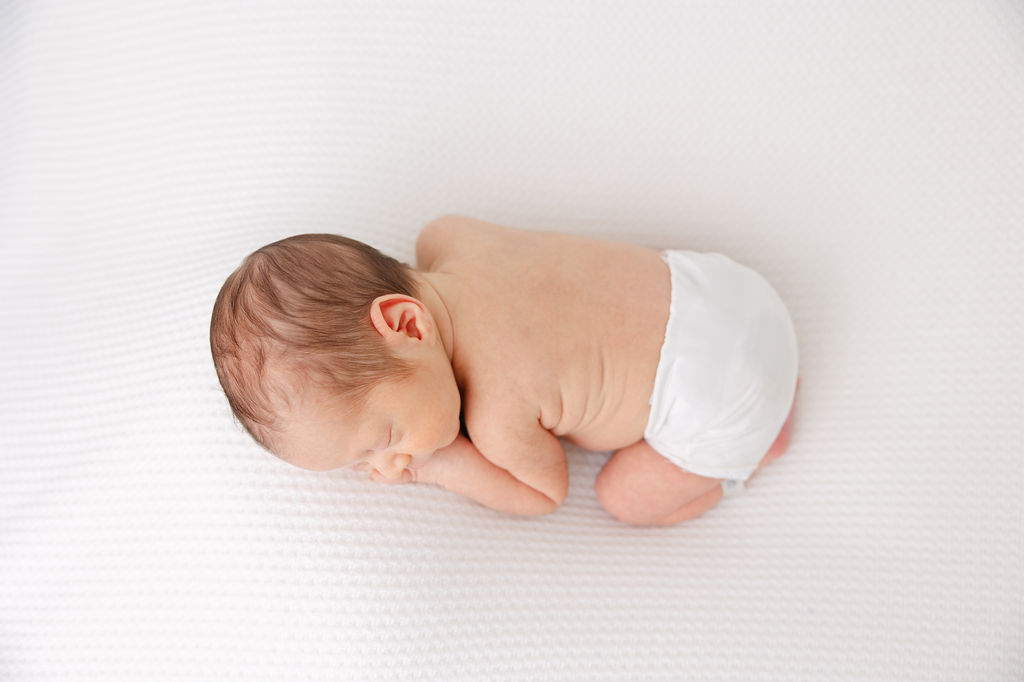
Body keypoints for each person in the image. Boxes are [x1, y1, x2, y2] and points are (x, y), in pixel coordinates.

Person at [209, 215, 799, 526]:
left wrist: (440, 466)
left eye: (384, 440)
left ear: (410, 325)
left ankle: (751, 452)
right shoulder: (449, 237)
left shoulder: (497, 413)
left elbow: (544, 493)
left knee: (626, 499)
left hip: (726, 395)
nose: (388, 464)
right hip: (727, 289)